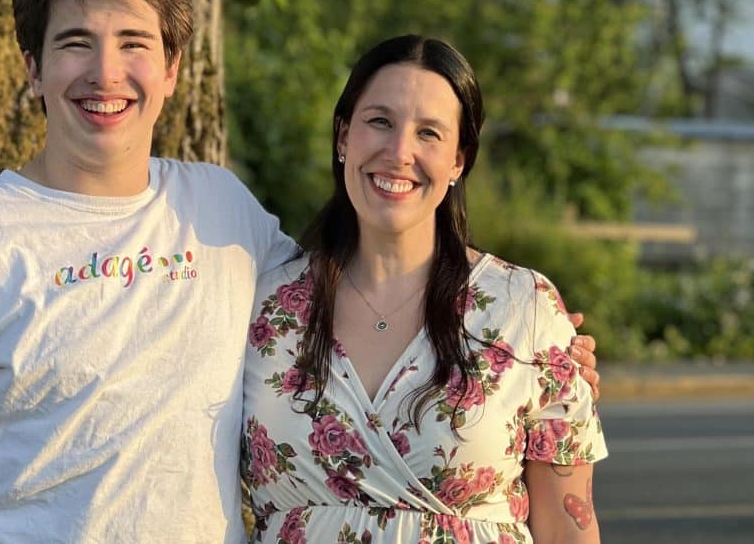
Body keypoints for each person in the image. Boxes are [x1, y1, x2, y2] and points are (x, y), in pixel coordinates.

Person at [0, 0, 600, 544]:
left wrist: (549, 358)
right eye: (75, 44)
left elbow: (368, 291)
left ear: (171, 71)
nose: (105, 74)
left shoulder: (223, 215)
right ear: (32, 69)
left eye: (134, 44)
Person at [240, 35, 606, 542]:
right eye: (380, 122)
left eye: (429, 133)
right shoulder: (260, 307)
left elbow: (569, 524)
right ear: (344, 137)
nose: (399, 152)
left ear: (459, 160)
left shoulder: (525, 308)